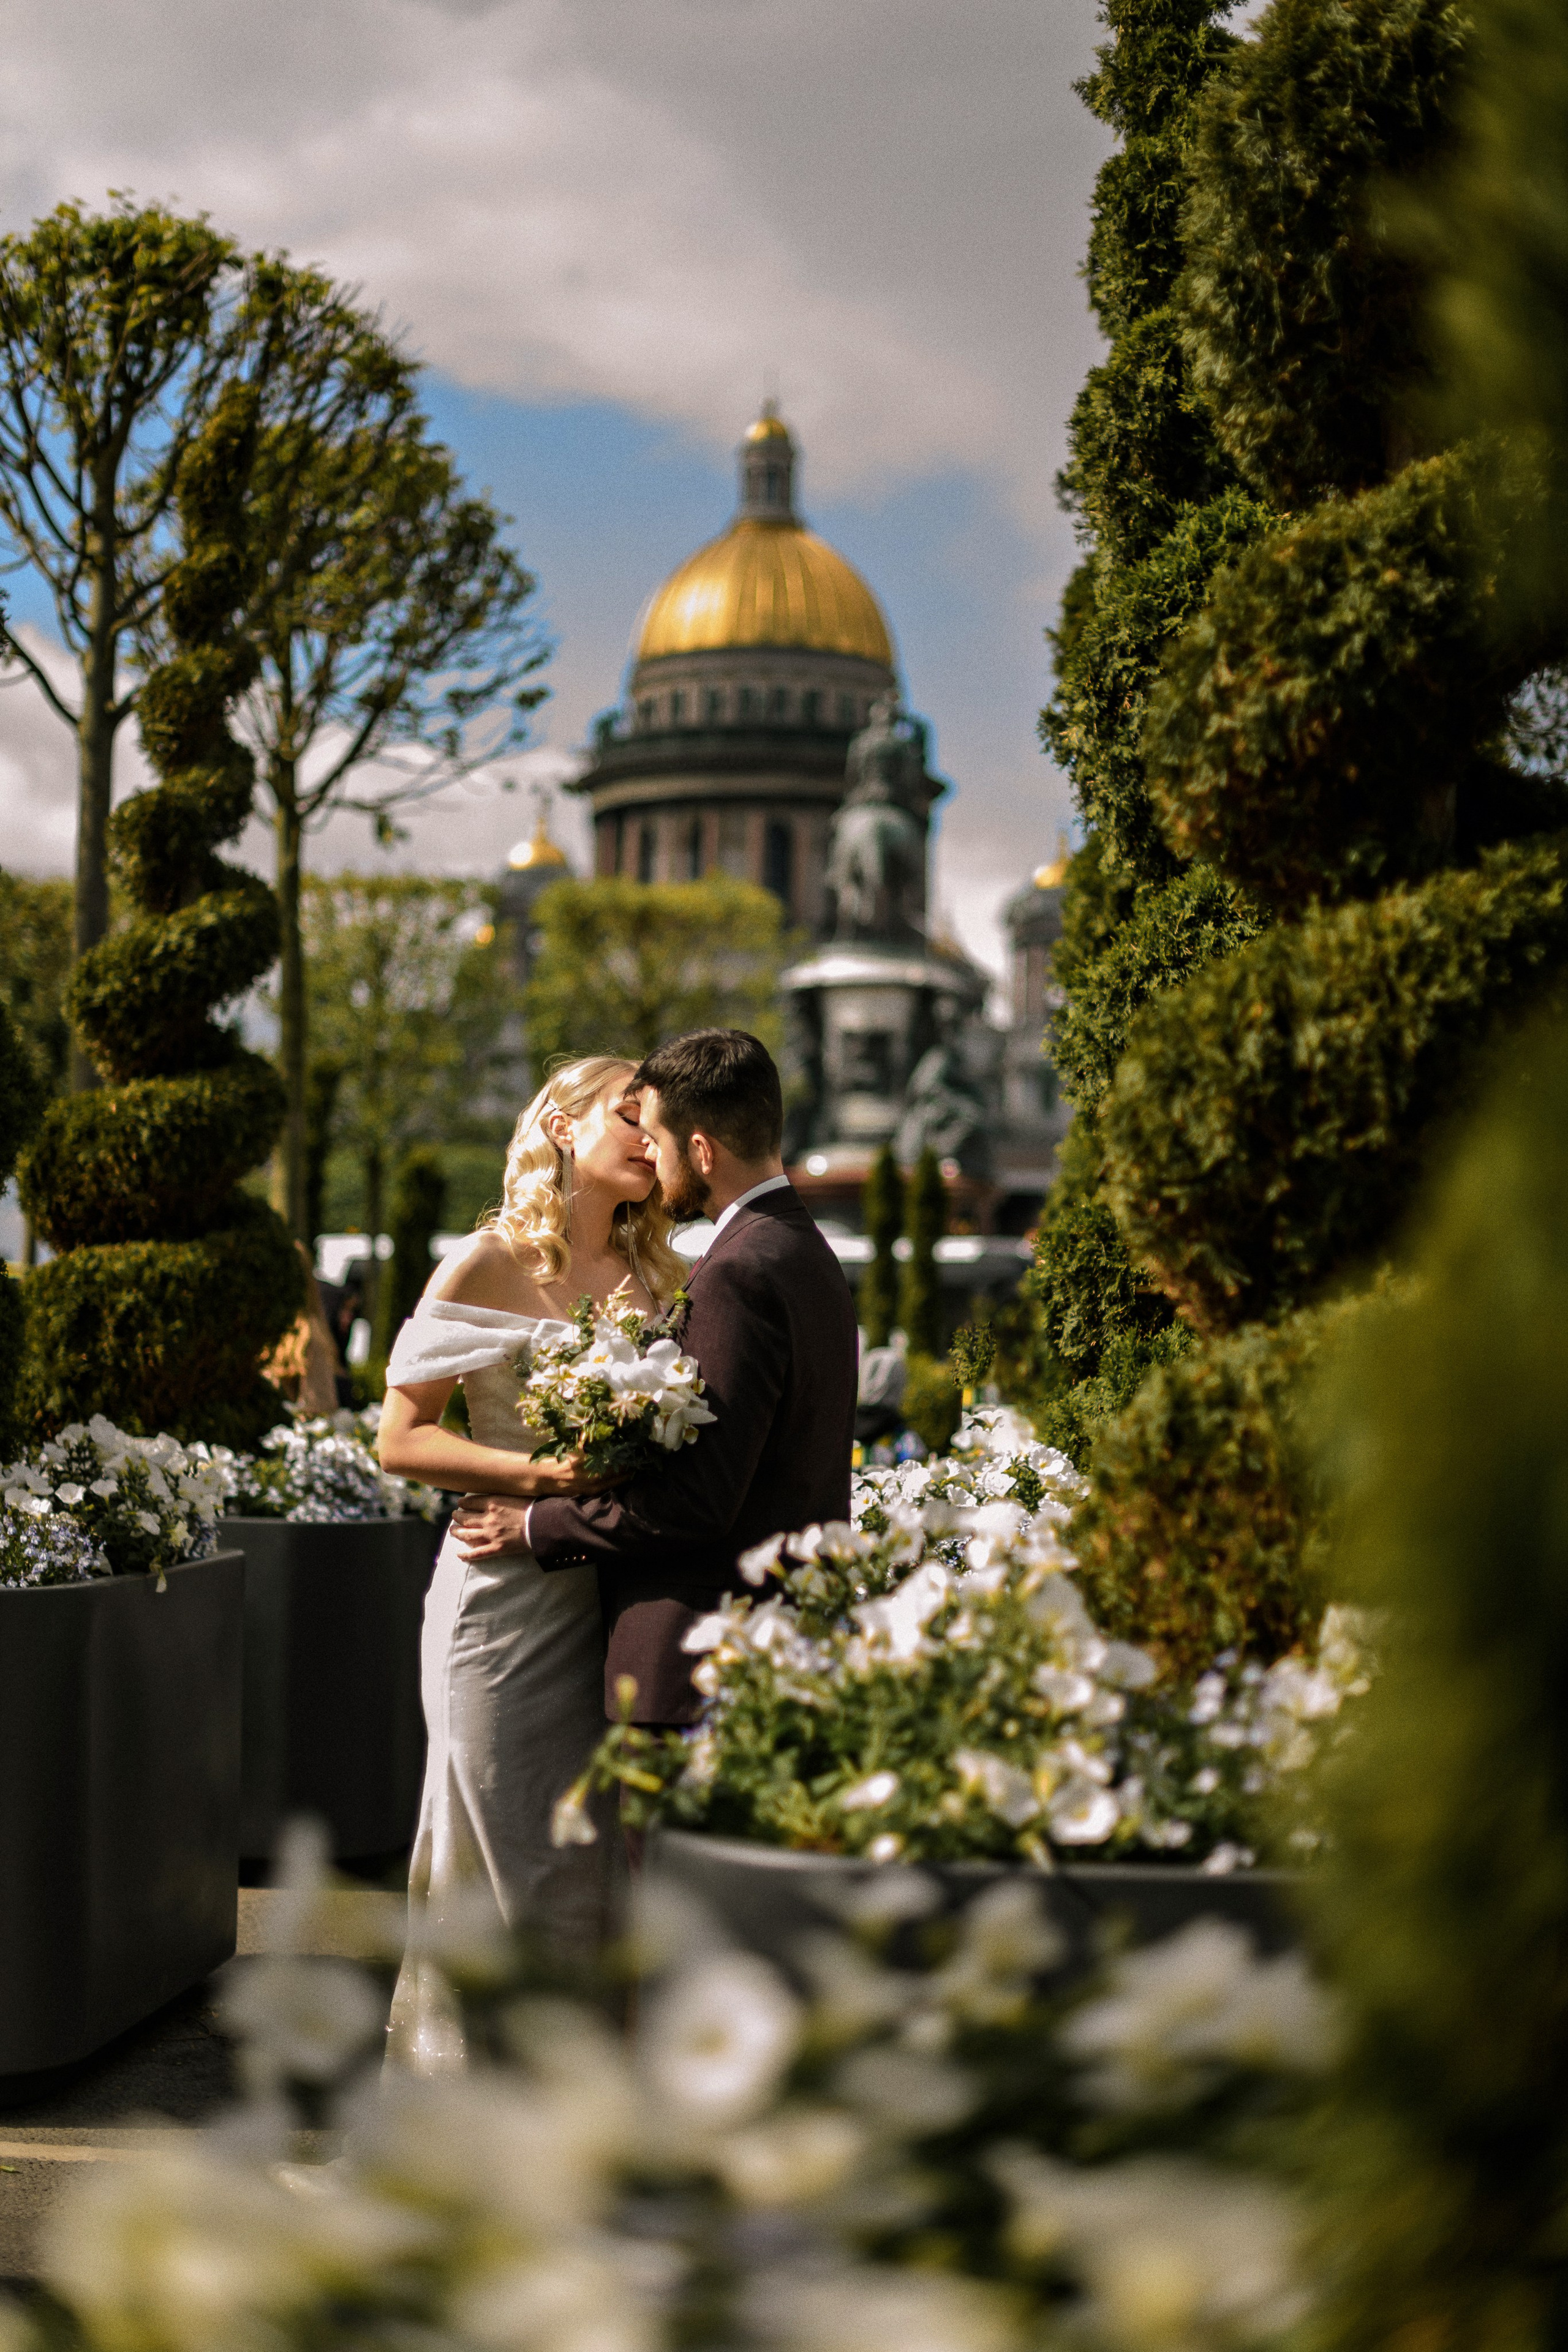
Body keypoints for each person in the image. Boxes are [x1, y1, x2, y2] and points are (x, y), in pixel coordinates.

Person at [376, 1056, 687, 2070]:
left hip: (609, 1601)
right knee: (497, 1850)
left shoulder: (661, 1279)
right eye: (628, 1116)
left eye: (662, 1123)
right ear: (560, 1122)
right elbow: (401, 1440)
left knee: (585, 1864)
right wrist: (542, 1478)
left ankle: (572, 2113)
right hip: (500, 1603)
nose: (652, 1137)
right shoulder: (485, 1263)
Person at [453, 1029, 861, 1730]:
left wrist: (533, 1526)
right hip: (780, 1642)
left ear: (700, 1151)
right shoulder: (807, 1253)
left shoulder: (736, 1270)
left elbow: (696, 1503)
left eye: (660, 1142)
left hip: (695, 1662)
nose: (652, 1157)